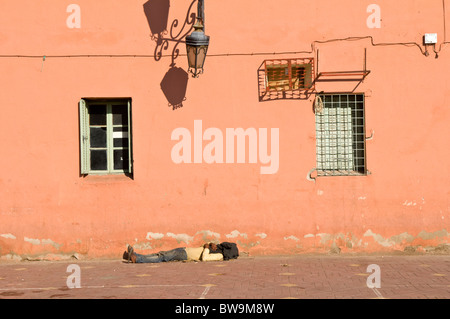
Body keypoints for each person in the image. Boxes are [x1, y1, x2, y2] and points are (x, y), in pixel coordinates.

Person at [123, 243, 227, 263]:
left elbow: (204, 258)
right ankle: (135, 255)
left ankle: (137, 259)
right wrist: (209, 244)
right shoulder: (216, 248)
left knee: (162, 257)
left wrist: (207, 248)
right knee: (160, 254)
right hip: (184, 249)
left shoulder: (220, 255)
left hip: (185, 255)